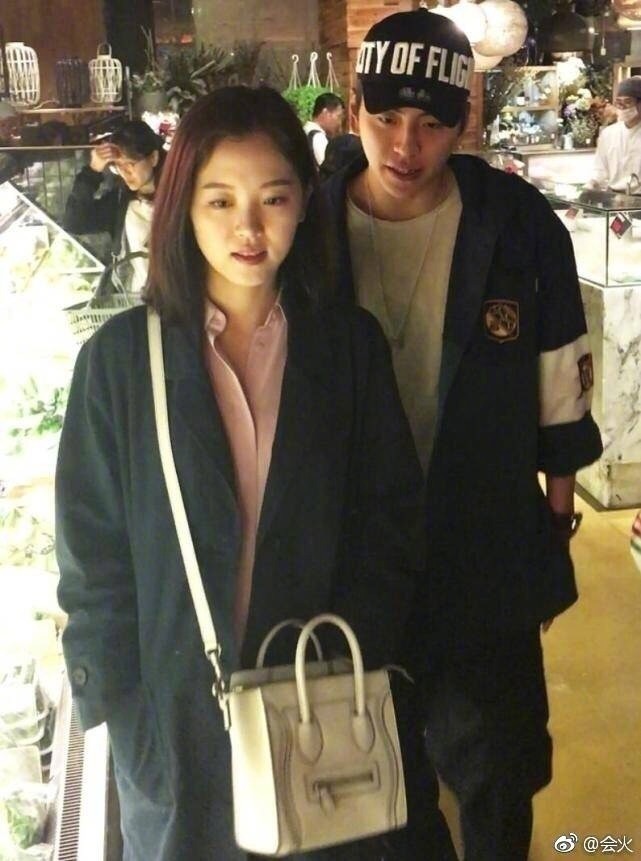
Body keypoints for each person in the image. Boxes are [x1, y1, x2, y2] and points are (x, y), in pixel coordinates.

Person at [55, 85, 430, 860]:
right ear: (182, 208)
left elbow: (388, 523)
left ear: (304, 204)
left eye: (274, 199)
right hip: (175, 730)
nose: (248, 228)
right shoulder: (119, 363)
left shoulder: (347, 349)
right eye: (219, 200)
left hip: (319, 718)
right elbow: (92, 558)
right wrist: (127, 715)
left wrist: (351, 661)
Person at [320, 9, 603, 861]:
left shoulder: (513, 222)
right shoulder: (311, 225)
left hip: (483, 542)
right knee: (372, 771)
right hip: (353, 548)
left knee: (495, 767)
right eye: (384, 117)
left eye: (431, 123)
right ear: (354, 105)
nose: (405, 145)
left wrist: (553, 522)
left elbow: (558, 376)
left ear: (464, 119)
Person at [64, 119, 165, 294]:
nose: (125, 172)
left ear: (153, 158)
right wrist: (92, 171)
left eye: (130, 164)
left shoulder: (181, 197)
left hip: (182, 302)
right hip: (138, 299)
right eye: (119, 165)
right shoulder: (120, 202)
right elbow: (74, 222)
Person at [588, 76, 641, 193]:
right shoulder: (609, 134)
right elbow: (600, 169)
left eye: (627, 102)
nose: (622, 107)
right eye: (619, 102)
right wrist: (592, 183)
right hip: (614, 197)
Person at [303, 92, 345, 167]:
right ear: (326, 113)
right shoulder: (318, 138)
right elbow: (330, 170)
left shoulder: (305, 130)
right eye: (338, 117)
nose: (339, 123)